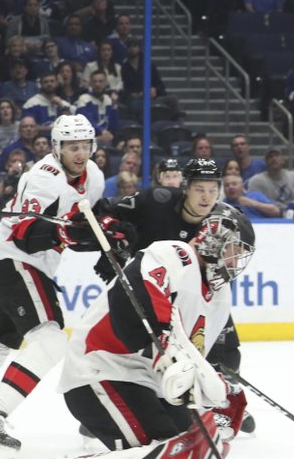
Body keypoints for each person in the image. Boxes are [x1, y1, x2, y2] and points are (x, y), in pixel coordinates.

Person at [0, 208, 256, 459]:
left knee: (195, 457)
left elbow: (194, 362)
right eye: (235, 249)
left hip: (147, 382)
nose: (237, 261)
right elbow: (136, 298)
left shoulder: (220, 297)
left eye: (242, 254)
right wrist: (165, 339)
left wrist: (217, 391)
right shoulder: (174, 254)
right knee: (163, 457)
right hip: (102, 368)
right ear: (215, 239)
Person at [90, 159, 257, 436]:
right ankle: (111, 404)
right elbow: (102, 212)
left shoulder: (219, 221)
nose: (206, 197)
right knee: (143, 352)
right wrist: (115, 240)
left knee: (225, 348)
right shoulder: (156, 200)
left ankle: (212, 401)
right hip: (152, 291)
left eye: (212, 190)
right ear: (185, 188)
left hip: (193, 295)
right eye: (199, 189)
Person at [0, 115, 110, 454]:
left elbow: (93, 215)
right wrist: (65, 232)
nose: (80, 153)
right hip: (13, 260)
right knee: (51, 339)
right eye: (73, 146)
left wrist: (105, 240)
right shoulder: (45, 179)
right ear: (57, 148)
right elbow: (24, 234)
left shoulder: (95, 176)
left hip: (18, 263)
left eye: (85, 146)